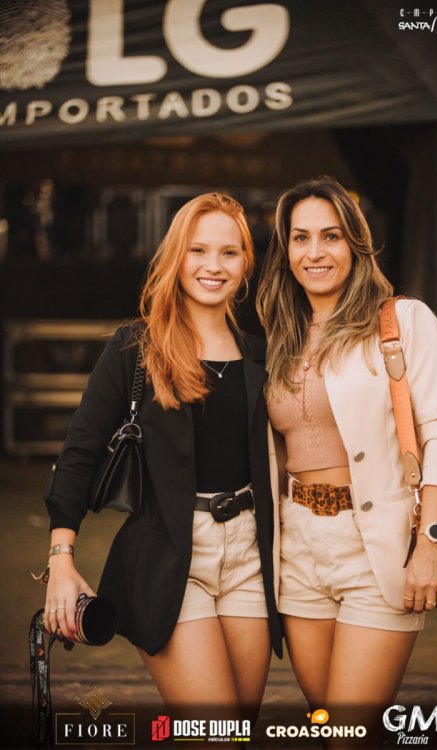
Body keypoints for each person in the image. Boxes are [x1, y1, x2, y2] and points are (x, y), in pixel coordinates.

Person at [42, 192, 282, 724]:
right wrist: (61, 559)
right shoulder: (136, 347)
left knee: (235, 731)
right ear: (176, 256)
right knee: (214, 730)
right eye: (198, 250)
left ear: (246, 262)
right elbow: (79, 452)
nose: (213, 266)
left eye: (229, 252)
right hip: (172, 554)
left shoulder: (261, 353)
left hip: (250, 559)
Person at [257, 177, 437, 741]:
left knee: (350, 731)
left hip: (377, 547)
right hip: (297, 548)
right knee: (329, 725)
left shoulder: (402, 321)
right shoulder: (279, 334)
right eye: (301, 238)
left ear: (356, 243)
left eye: (331, 236)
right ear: (286, 250)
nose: (315, 252)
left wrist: (431, 543)